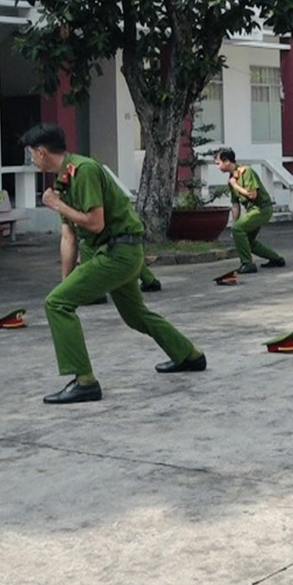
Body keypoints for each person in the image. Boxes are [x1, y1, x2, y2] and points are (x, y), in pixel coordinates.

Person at [22, 124, 205, 404]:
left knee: (55, 304)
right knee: (135, 315)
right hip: (115, 254)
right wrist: (66, 283)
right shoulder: (63, 183)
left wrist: (58, 206)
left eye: (31, 154)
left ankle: (85, 381)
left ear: (42, 151)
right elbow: (68, 237)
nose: (31, 159)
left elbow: (96, 223)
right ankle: (189, 355)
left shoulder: (84, 171)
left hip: (119, 252)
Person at [217, 148, 286, 274]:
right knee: (247, 240)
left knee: (238, 230)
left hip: (262, 209)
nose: (218, 166)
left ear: (226, 161)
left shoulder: (246, 172)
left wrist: (235, 185)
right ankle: (276, 259)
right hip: (252, 211)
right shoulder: (232, 179)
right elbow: (235, 205)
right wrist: (235, 223)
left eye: (218, 163)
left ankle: (247, 264)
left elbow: (252, 195)